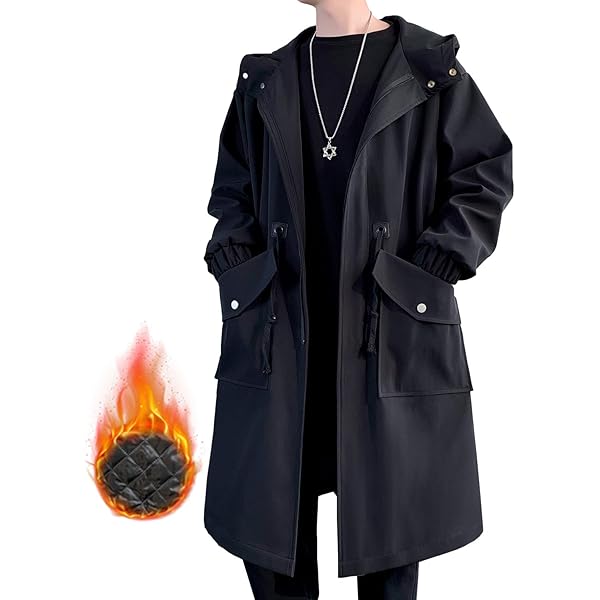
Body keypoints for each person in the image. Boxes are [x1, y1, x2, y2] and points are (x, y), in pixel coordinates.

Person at [203, 1, 513, 598]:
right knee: (271, 538)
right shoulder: (266, 78)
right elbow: (232, 188)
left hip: (385, 331)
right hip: (279, 338)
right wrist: (237, 259)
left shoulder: (427, 69)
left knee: (388, 544)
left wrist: (437, 259)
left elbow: (485, 173)